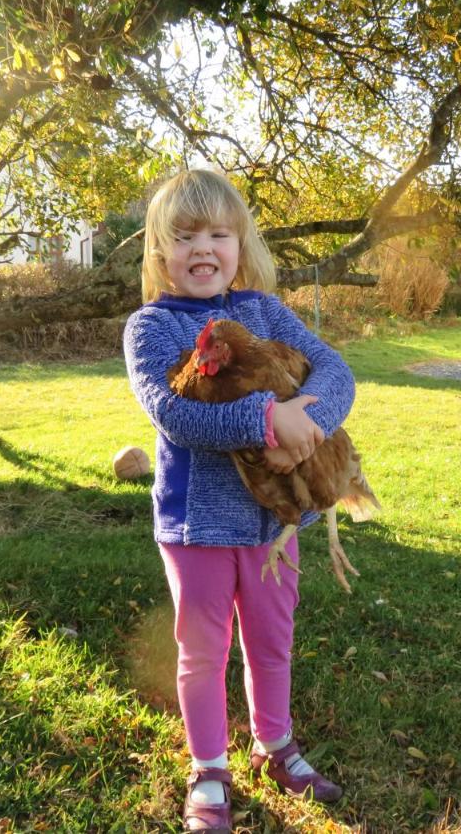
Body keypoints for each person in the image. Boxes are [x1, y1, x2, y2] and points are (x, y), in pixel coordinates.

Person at [124, 169, 355, 832]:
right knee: (201, 650)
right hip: (196, 524)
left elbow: (335, 369)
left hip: (274, 522)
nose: (204, 247)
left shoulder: (264, 312)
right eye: (185, 235)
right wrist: (265, 421)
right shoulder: (150, 328)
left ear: (240, 244)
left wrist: (309, 423)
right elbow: (173, 412)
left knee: (272, 639)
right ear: (161, 252)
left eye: (219, 233)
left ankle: (275, 746)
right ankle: (208, 768)